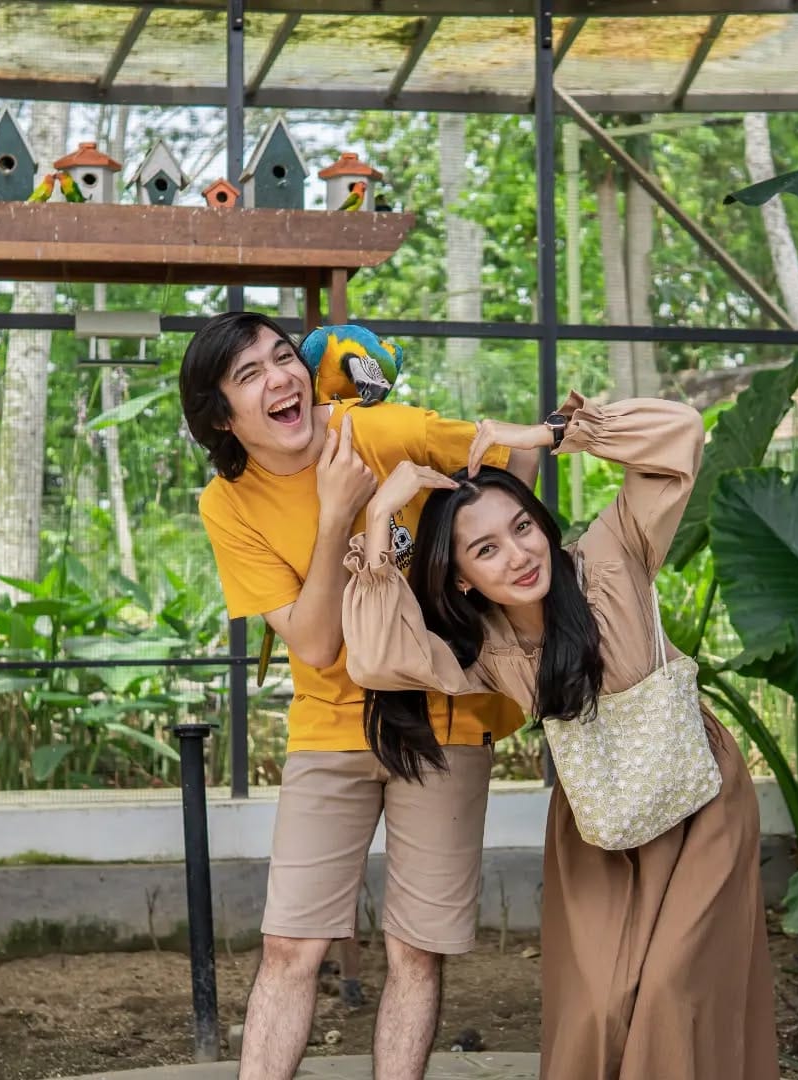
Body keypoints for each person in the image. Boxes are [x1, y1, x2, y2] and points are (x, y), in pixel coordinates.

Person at [342, 392, 780, 1079]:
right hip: (598, 822)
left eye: (523, 527)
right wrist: (375, 517)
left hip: (698, 801)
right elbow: (372, 657)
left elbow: (681, 434)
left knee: (670, 991)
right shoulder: (483, 650)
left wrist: (552, 433)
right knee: (598, 1007)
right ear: (461, 579)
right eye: (487, 549)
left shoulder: (609, 557)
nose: (518, 554)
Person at [179, 311, 532, 1080]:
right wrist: (343, 509)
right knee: (291, 945)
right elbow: (312, 644)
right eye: (250, 375)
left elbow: (506, 457)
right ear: (223, 418)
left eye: (283, 356)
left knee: (415, 948)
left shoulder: (380, 428)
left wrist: (474, 576)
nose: (281, 378)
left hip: (446, 714)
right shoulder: (227, 504)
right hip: (329, 725)